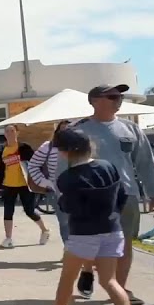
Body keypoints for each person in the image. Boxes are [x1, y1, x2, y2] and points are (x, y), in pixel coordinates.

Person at [37, 127, 144, 305]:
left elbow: (69, 207)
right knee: (111, 282)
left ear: (66, 152)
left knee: (67, 278)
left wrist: (62, 200)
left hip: (83, 233)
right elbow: (122, 195)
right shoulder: (108, 166)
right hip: (112, 230)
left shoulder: (68, 178)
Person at [65, 84, 154, 305]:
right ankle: (88, 271)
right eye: (112, 96)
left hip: (126, 195)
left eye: (120, 96)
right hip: (91, 198)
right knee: (91, 244)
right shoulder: (78, 131)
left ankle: (119, 288)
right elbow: (65, 165)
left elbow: (146, 163)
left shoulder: (130, 129)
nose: (118, 99)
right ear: (95, 101)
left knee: (124, 245)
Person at [29, 121, 94, 291]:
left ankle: (83, 259)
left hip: (84, 192)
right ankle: (72, 255)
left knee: (84, 225)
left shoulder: (83, 145)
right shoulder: (48, 146)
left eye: (71, 128)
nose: (67, 131)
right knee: (66, 224)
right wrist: (46, 183)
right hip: (60, 193)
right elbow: (33, 165)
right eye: (64, 128)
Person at [0, 125, 50, 248]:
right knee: (8, 211)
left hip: (25, 184)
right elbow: (2, 167)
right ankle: (8, 238)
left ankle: (44, 230)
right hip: (8, 184)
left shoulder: (24, 148)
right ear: (4, 134)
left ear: (17, 132)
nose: (10, 133)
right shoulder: (3, 149)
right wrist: (1, 183)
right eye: (7, 131)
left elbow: (35, 163)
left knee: (29, 210)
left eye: (12, 131)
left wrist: (39, 180)